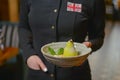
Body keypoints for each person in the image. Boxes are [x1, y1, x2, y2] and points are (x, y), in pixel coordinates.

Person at [18, 0, 105, 80]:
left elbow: (98, 37)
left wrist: (87, 47)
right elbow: (23, 27)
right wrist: (29, 55)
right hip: (37, 72)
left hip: (76, 74)